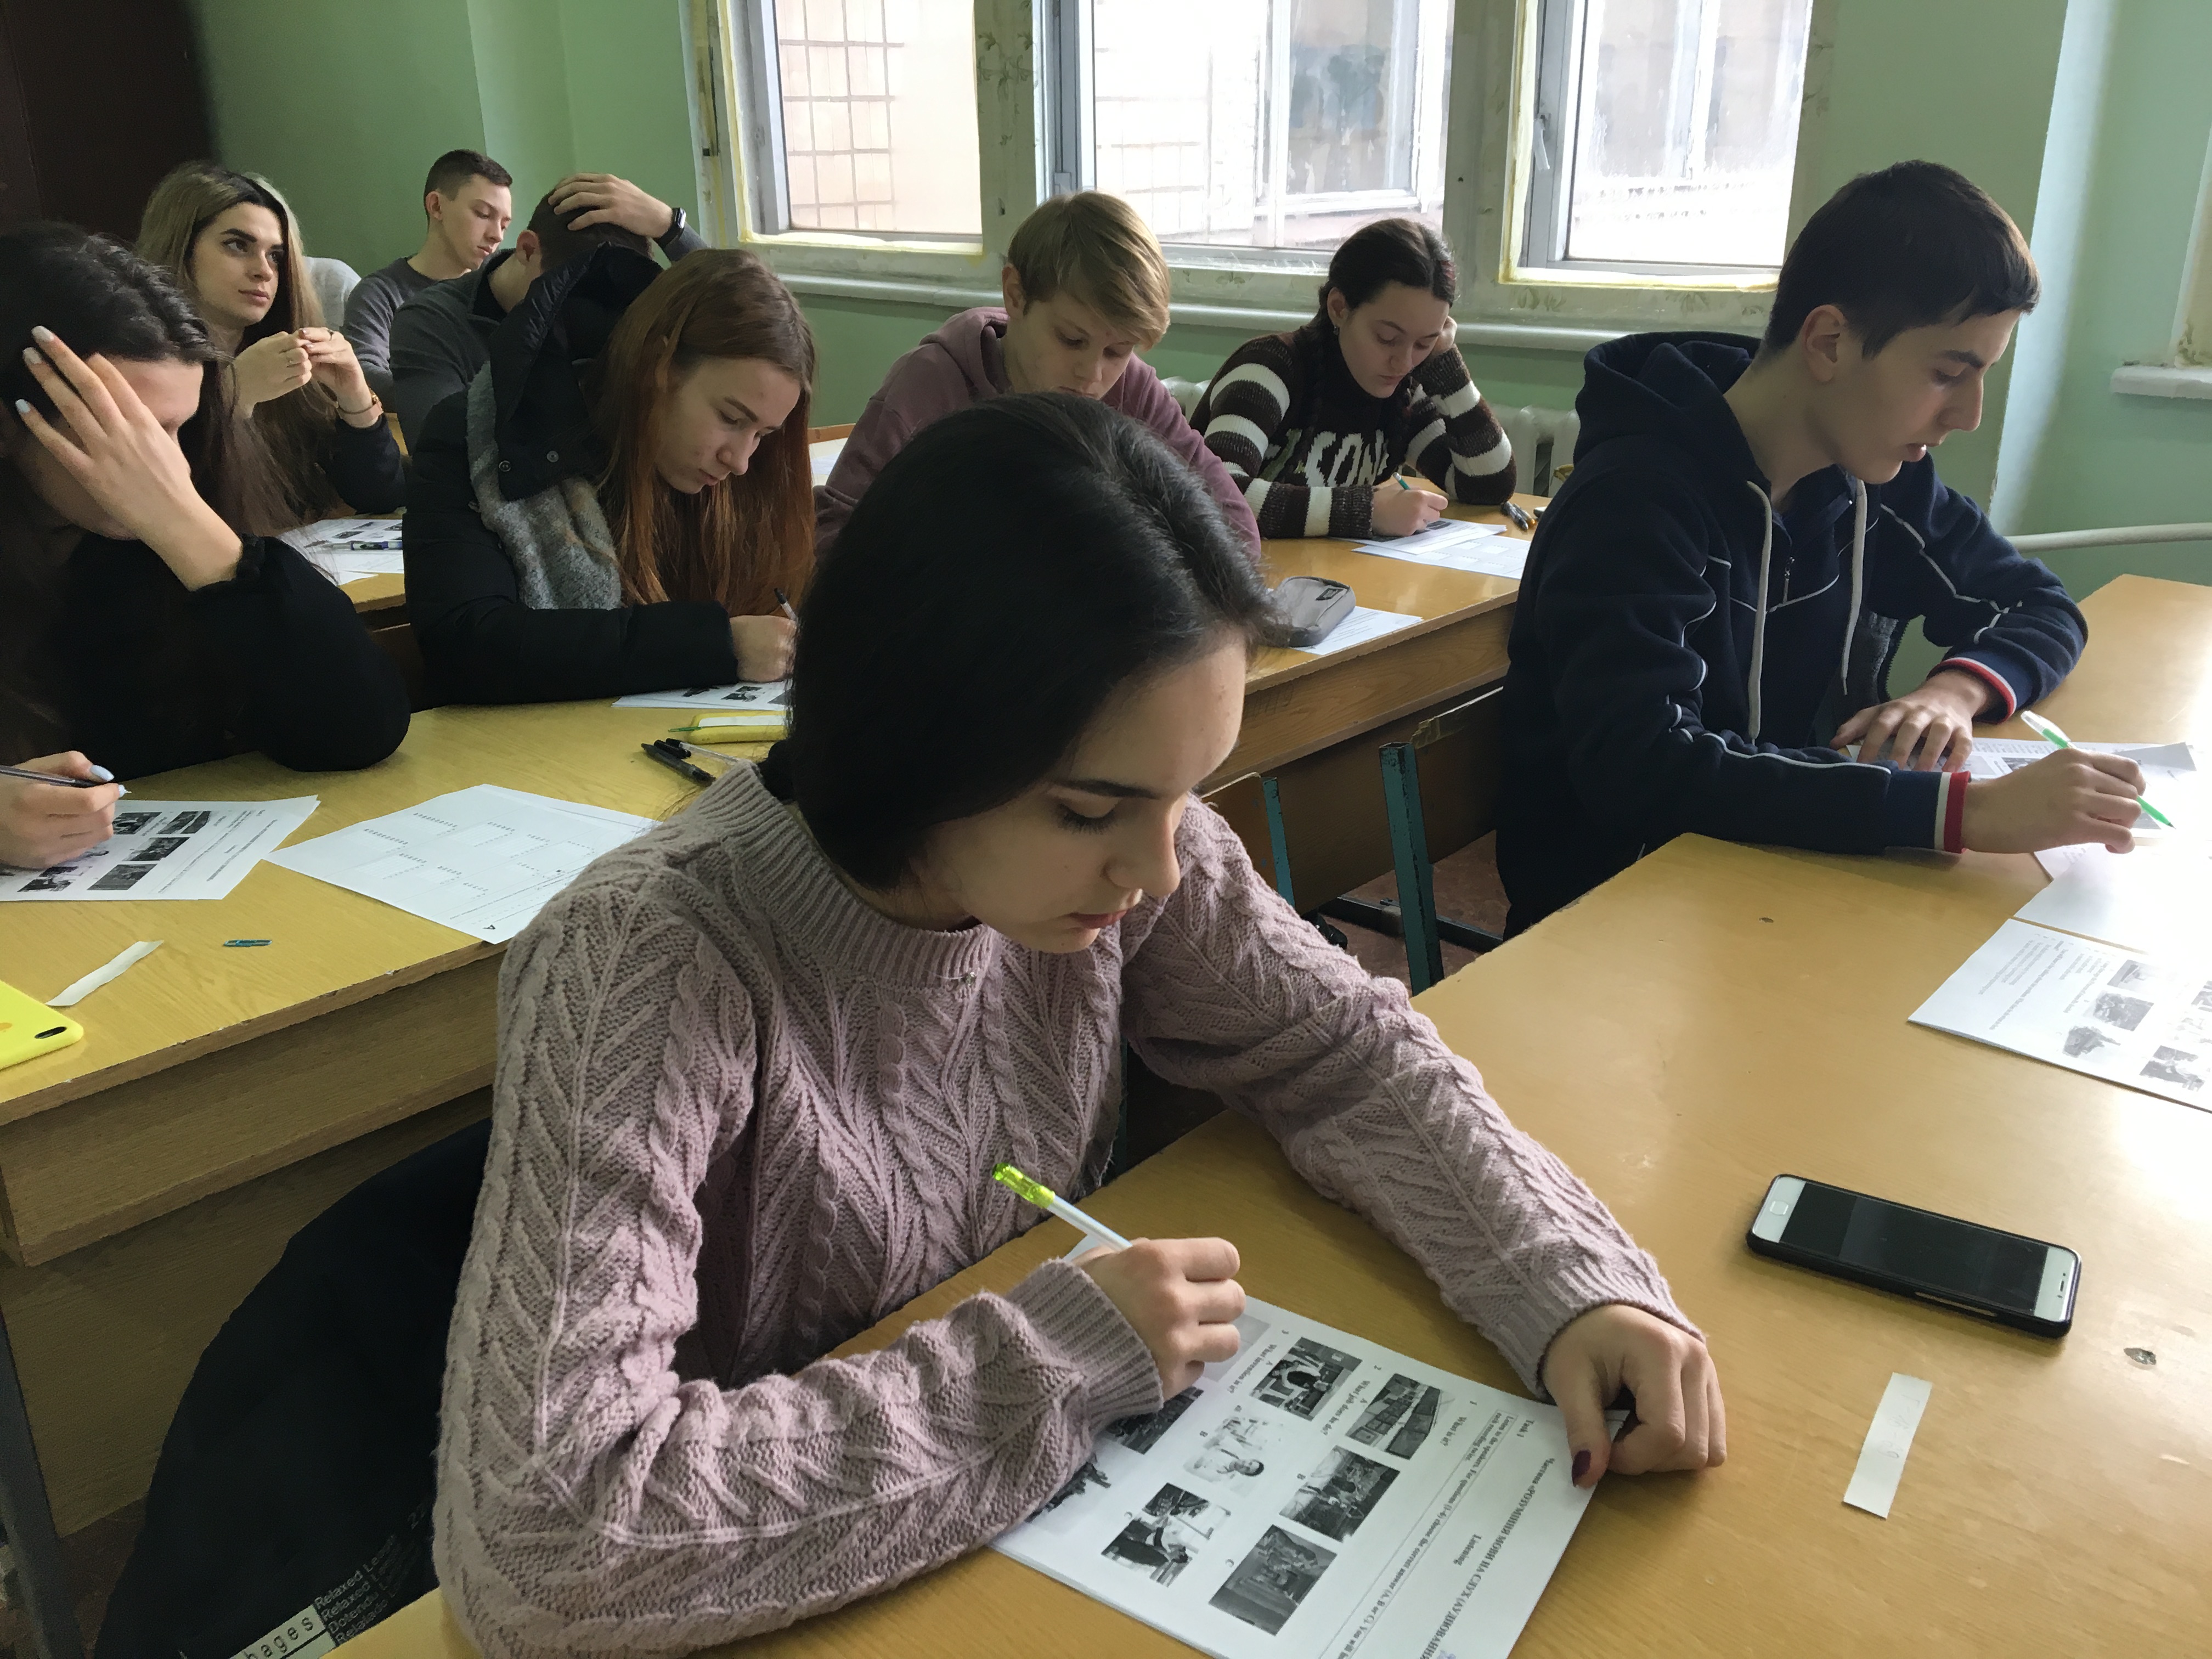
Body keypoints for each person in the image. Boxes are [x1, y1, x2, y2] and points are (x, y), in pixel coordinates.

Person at [1496, 160, 2135, 933]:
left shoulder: (1875, 475)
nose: (1968, 415)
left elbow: (2037, 603)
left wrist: (1953, 692)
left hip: (1786, 875)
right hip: (1619, 924)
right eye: (1947, 374)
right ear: (1830, 343)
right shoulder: (1633, 503)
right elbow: (1645, 768)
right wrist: (1965, 812)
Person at [0, 224, 408, 870]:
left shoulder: (155, 546)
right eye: (131, 432)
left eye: (180, 431)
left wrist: (192, 531)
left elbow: (358, 731)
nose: (170, 468)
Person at [402, 245, 812, 703]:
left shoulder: (730, 476)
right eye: (731, 419)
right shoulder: (475, 435)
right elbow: (466, 645)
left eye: (763, 435)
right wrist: (715, 644)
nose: (741, 461)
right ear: (658, 365)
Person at [816, 190, 1260, 560]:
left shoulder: (1134, 390)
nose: (1092, 374)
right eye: (1071, 339)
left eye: (1117, 351)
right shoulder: (929, 386)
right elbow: (834, 539)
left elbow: (1234, 529)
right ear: (1015, 295)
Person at [1192, 218, 1514, 541]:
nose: (1404, 362)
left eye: (1424, 343)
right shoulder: (1269, 368)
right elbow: (1216, 494)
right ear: (1339, 308)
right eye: (1387, 338)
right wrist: (1366, 511)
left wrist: (1447, 368)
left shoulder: (1402, 389)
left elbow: (1489, 486)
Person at [136, 162, 405, 531]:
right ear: (181, 248)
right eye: (237, 246)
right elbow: (161, 517)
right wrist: (232, 398)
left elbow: (380, 497)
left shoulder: (287, 358)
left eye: (275, 256)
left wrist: (355, 397)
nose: (264, 270)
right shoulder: (138, 367)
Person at [387, 173, 703, 443]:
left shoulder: (613, 300)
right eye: (563, 298)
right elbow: (439, 452)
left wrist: (670, 227)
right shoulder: (430, 323)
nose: (577, 324)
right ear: (527, 249)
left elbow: (731, 325)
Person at [342, 149, 514, 404]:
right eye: (483, 214)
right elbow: (362, 375)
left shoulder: (500, 288)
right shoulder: (380, 294)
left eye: (504, 225)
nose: (497, 235)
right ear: (436, 206)